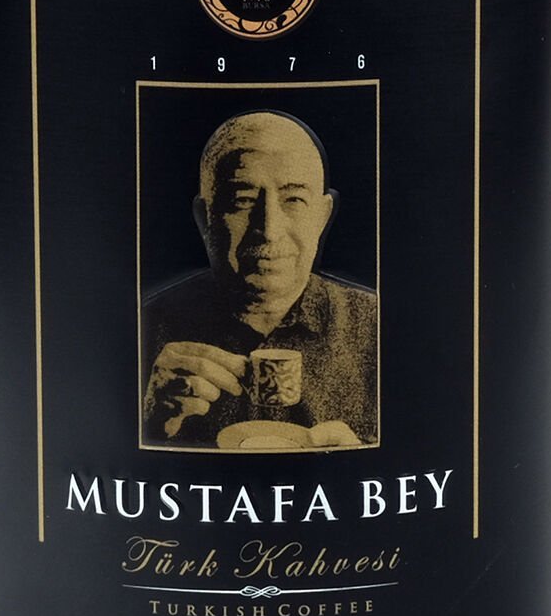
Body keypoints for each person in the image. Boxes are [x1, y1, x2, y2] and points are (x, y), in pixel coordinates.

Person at [142, 111, 377, 447]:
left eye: (293, 199)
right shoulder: (144, 327)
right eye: (242, 201)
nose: (268, 229)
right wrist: (148, 423)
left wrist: (359, 460)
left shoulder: (378, 328)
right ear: (204, 218)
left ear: (322, 216)